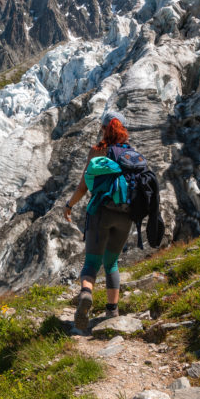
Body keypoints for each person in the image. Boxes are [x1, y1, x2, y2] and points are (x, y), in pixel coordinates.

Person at [63, 111, 132, 331]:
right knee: (111, 262)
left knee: (92, 262)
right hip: (126, 214)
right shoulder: (130, 154)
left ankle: (86, 294)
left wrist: (69, 205)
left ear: (104, 129)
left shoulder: (96, 152)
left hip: (100, 212)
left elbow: (83, 186)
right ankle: (112, 310)